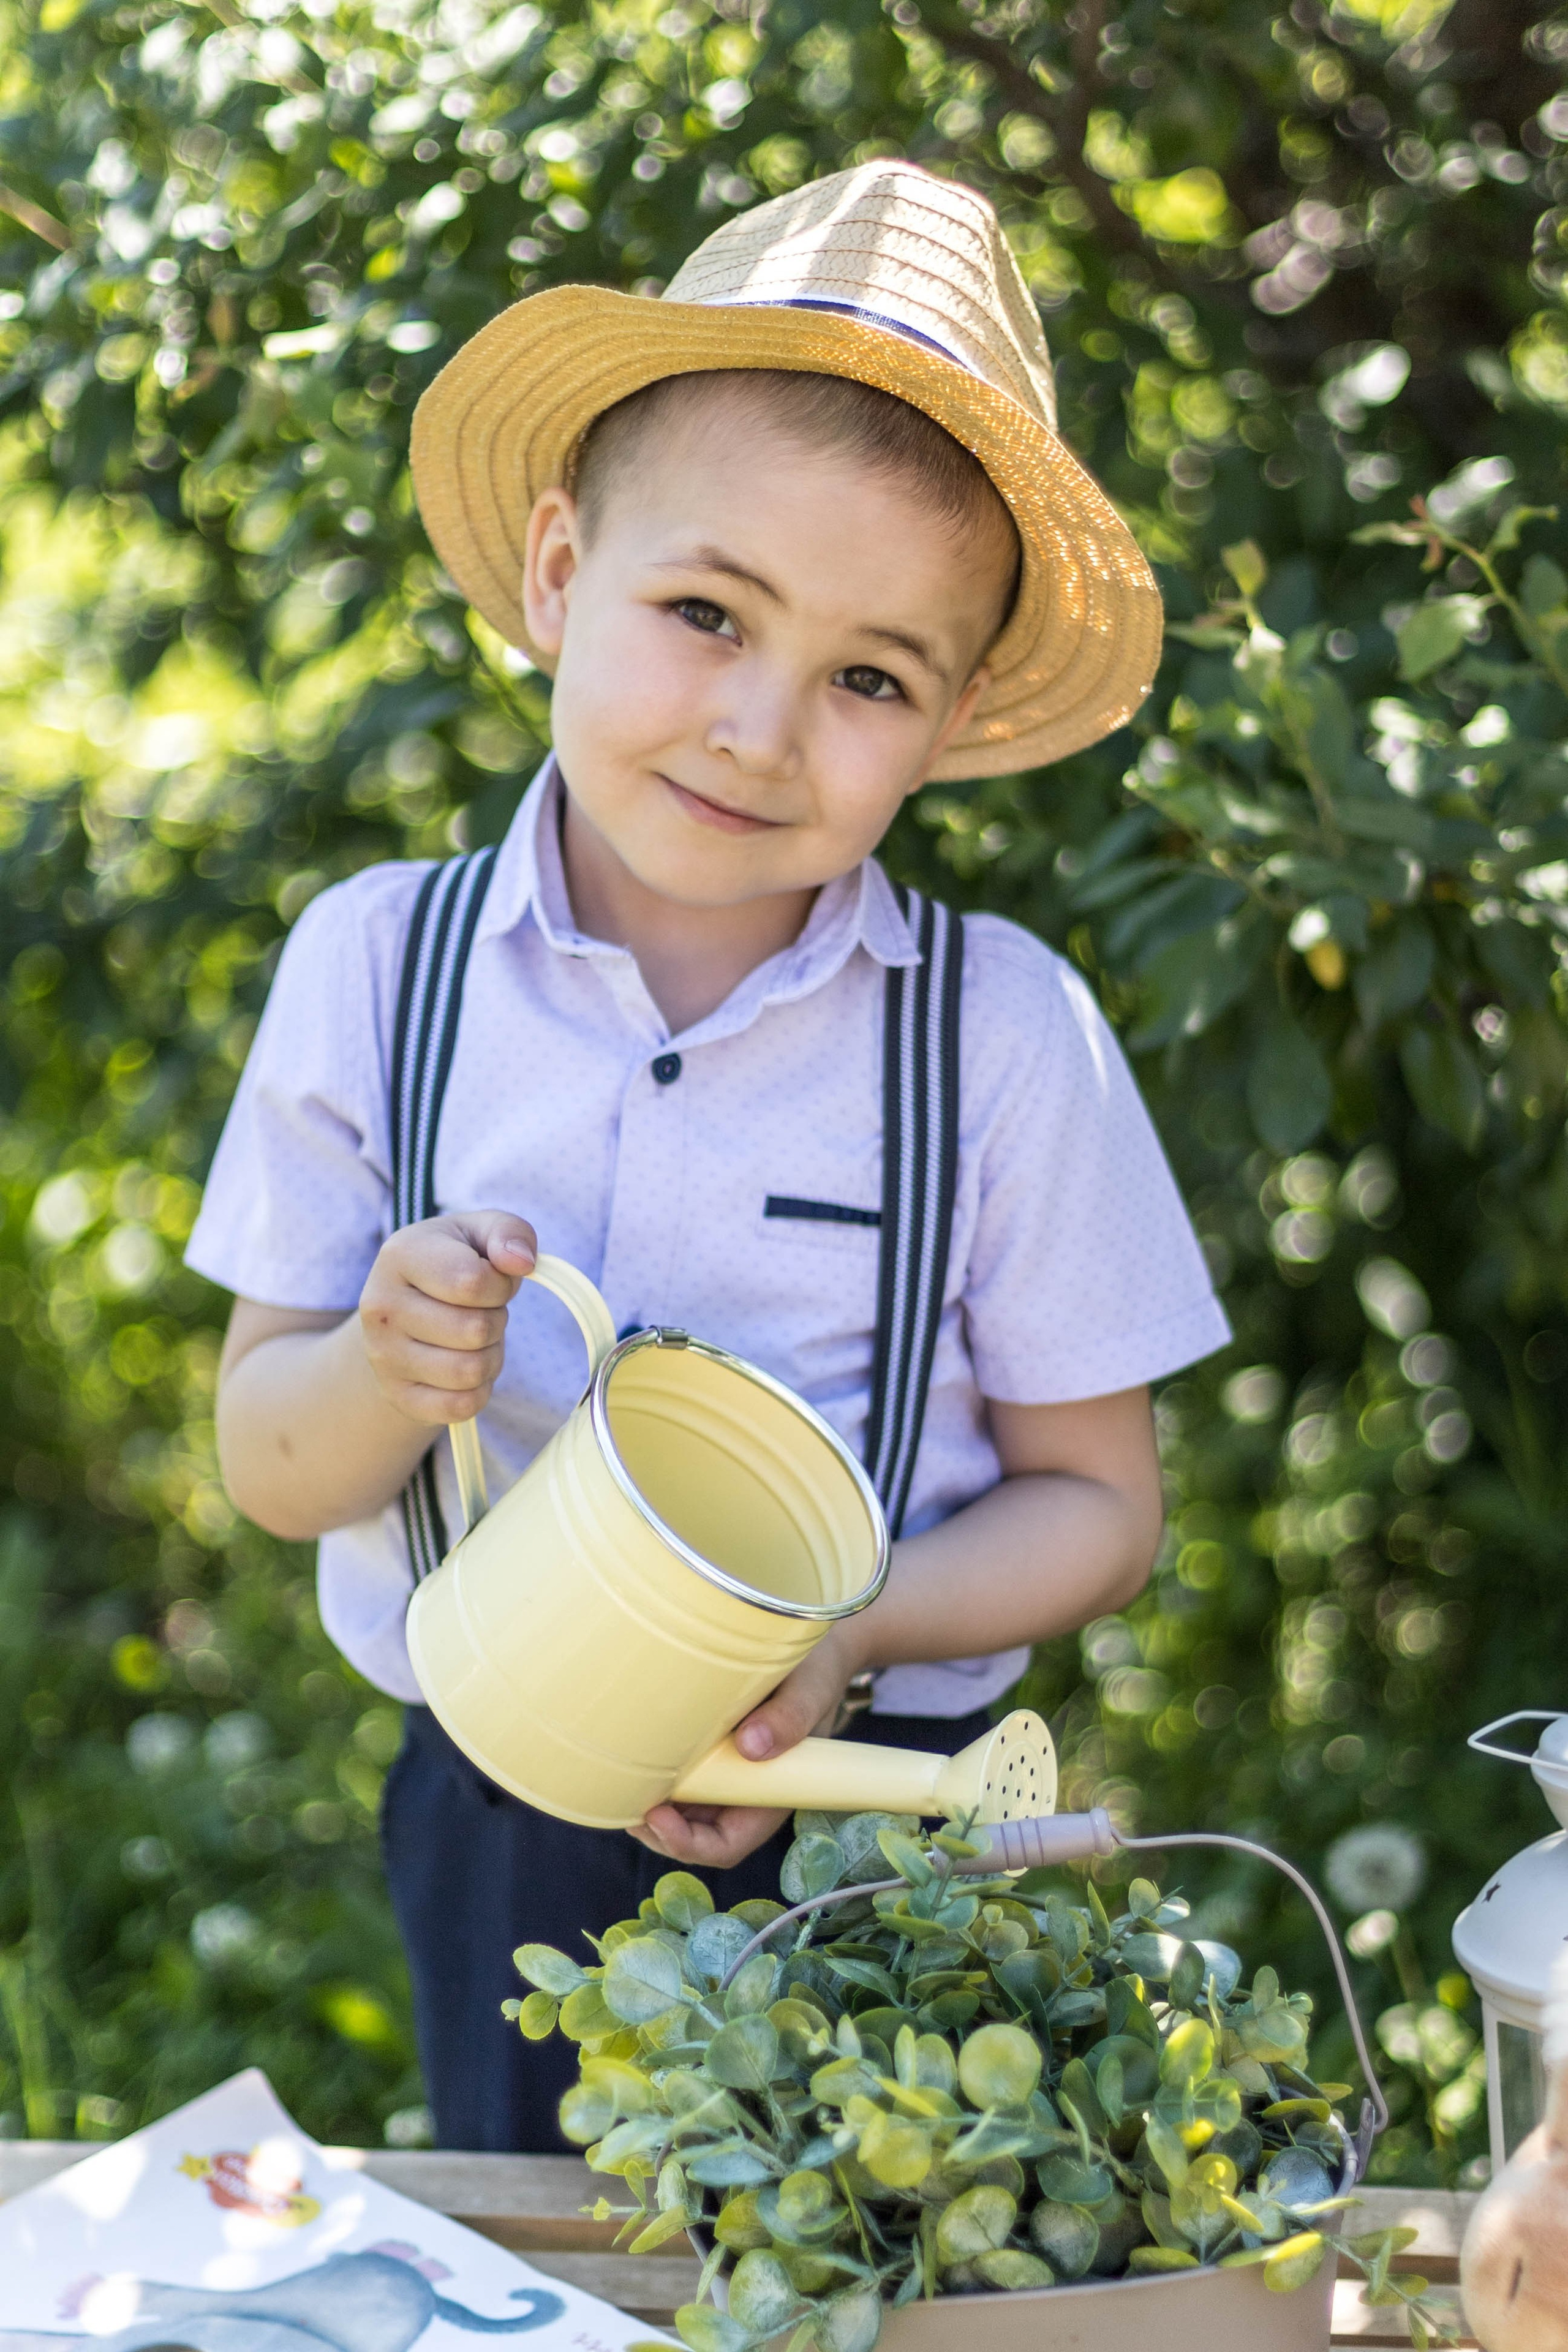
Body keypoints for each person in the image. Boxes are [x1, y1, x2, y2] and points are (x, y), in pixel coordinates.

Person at [187, 162, 1229, 2153]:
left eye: (865, 676)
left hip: (884, 1801)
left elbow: (1098, 1507)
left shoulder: (996, 1038)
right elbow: (267, 1456)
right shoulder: (378, 968)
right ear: (564, 576)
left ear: (949, 721)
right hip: (502, 1784)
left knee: (884, 2251)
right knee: (552, 2251)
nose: (760, 728)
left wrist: (854, 1634)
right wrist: (381, 1373)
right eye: (703, 613)